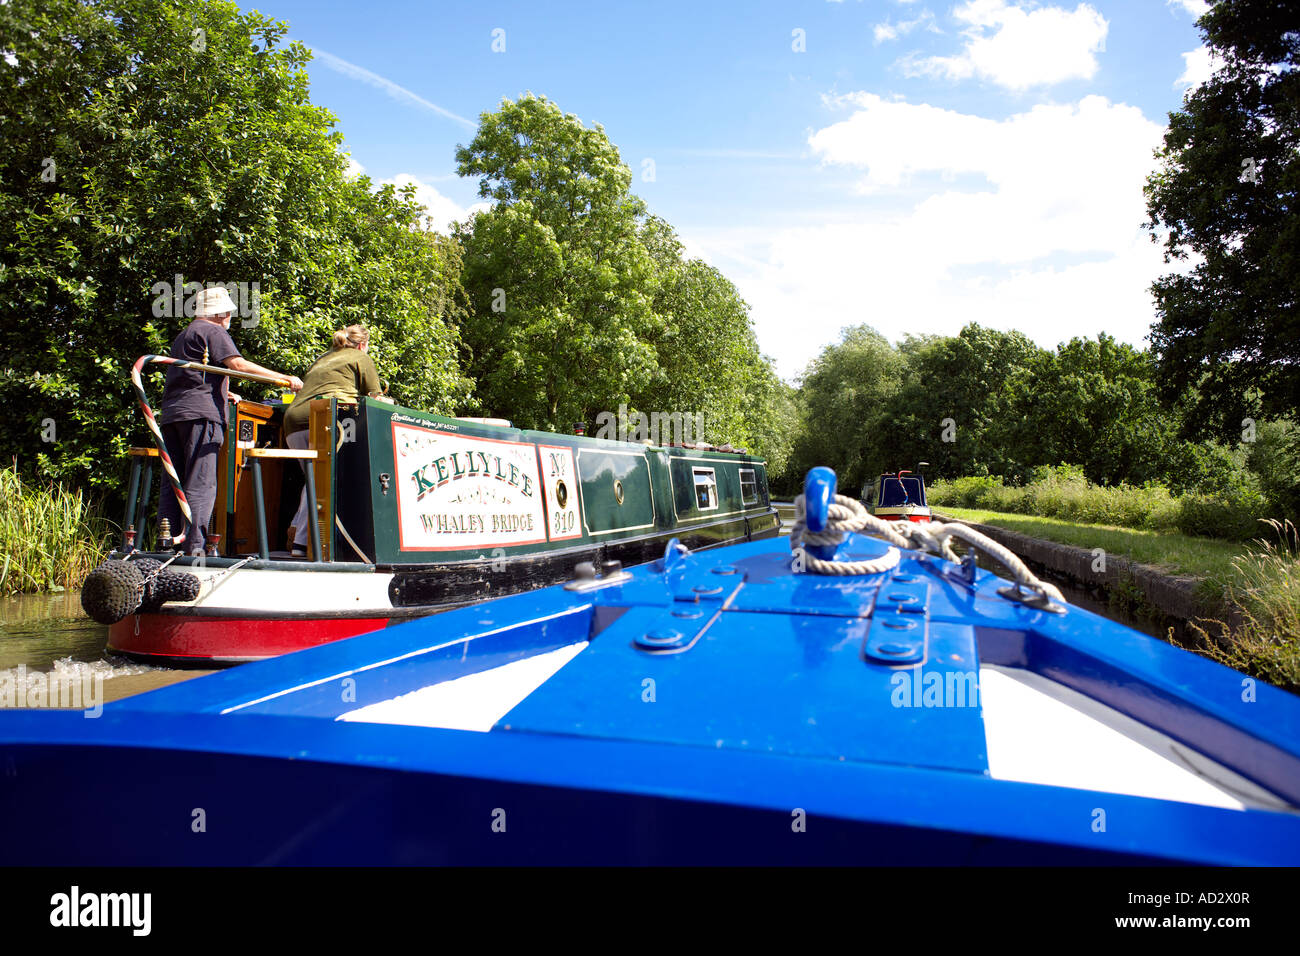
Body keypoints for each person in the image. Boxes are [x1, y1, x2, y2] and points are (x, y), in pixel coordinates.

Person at [157, 286, 303, 555]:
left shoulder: (185, 335)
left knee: (173, 479)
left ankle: (166, 542)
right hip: (201, 416)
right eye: (229, 314)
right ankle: (195, 548)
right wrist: (284, 378)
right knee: (200, 481)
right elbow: (238, 365)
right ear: (221, 313)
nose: (230, 319)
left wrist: (224, 392)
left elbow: (192, 378)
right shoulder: (213, 330)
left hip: (173, 415)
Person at [283, 324, 385, 556]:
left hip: (293, 419)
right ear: (362, 344)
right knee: (322, 482)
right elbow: (375, 398)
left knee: (313, 479)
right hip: (323, 417)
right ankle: (302, 545)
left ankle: (296, 532)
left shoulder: (323, 357)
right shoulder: (360, 357)